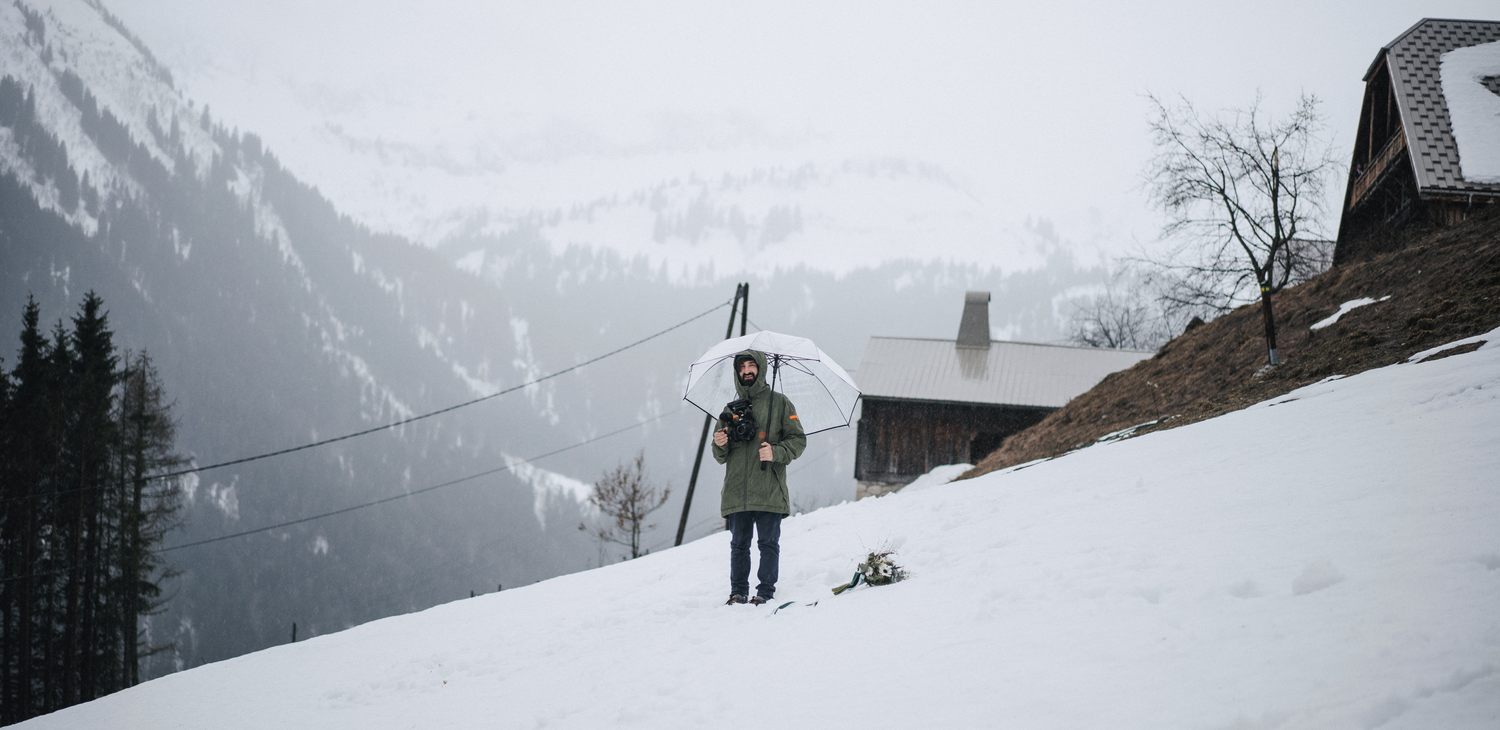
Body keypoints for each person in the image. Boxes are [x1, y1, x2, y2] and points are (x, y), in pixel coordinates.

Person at [713, 350, 806, 605]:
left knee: (768, 543)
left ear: (761, 369)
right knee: (739, 545)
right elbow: (719, 455)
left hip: (769, 487)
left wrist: (775, 451)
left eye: (751, 365)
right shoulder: (729, 410)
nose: (746, 371)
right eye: (741, 367)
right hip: (738, 489)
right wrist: (719, 441)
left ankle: (765, 592)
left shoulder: (780, 403)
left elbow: (798, 440)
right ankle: (738, 592)